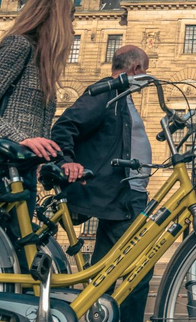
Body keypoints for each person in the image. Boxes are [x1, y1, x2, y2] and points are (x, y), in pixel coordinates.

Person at [52, 45, 152, 322]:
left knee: (104, 272)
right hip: (120, 193)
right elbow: (65, 125)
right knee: (139, 267)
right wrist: (66, 161)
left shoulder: (120, 96)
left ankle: (93, 315)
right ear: (137, 69)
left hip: (123, 193)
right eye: (146, 70)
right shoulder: (106, 91)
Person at [0, 0, 74, 220]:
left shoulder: (43, 63)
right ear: (55, 19)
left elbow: (39, 129)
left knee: (20, 248)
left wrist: (48, 162)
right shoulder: (19, 45)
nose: (73, 28)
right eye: (70, 19)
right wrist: (19, 138)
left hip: (23, 168)